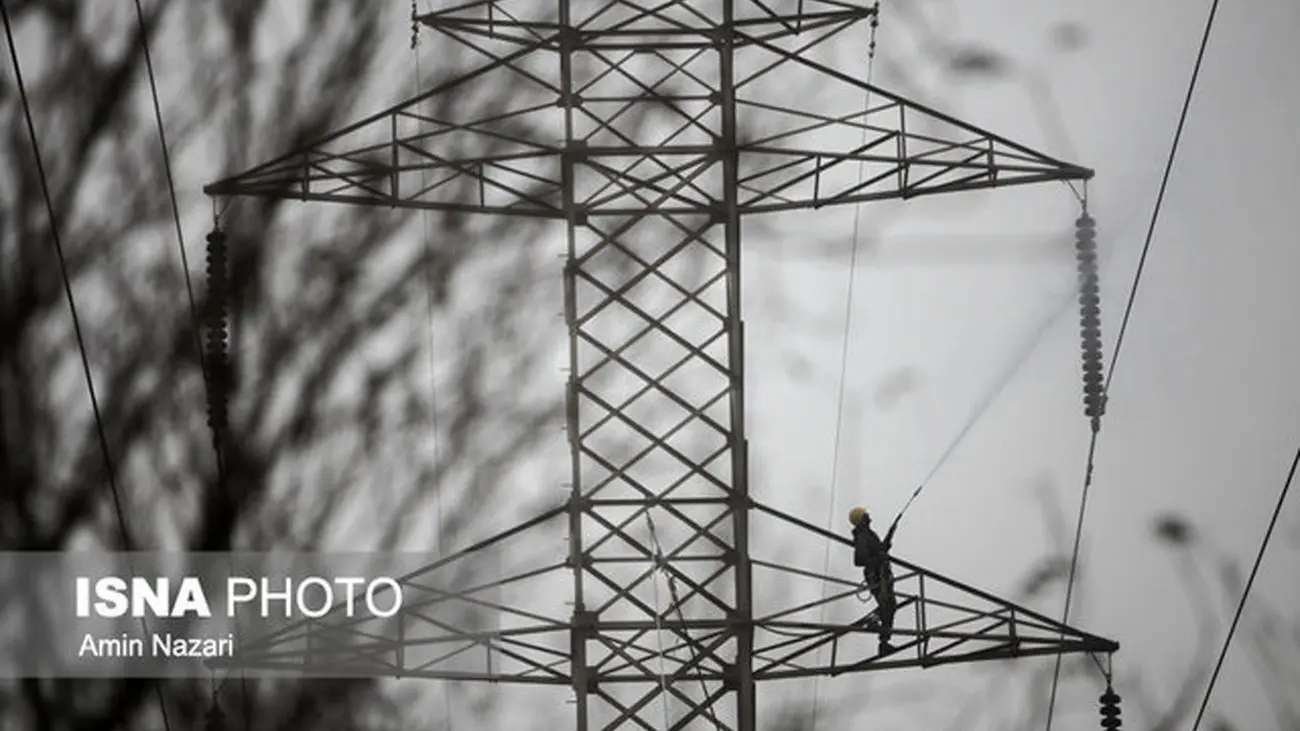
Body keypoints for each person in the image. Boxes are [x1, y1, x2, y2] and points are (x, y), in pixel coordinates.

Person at [849, 506, 897, 653]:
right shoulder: (863, 535)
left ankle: (884, 642)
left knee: (889, 604)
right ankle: (875, 624)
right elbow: (859, 559)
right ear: (862, 519)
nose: (869, 515)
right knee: (888, 604)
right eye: (866, 514)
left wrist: (889, 536)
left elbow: (879, 550)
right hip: (876, 574)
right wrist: (878, 558)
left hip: (880, 573)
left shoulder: (868, 534)